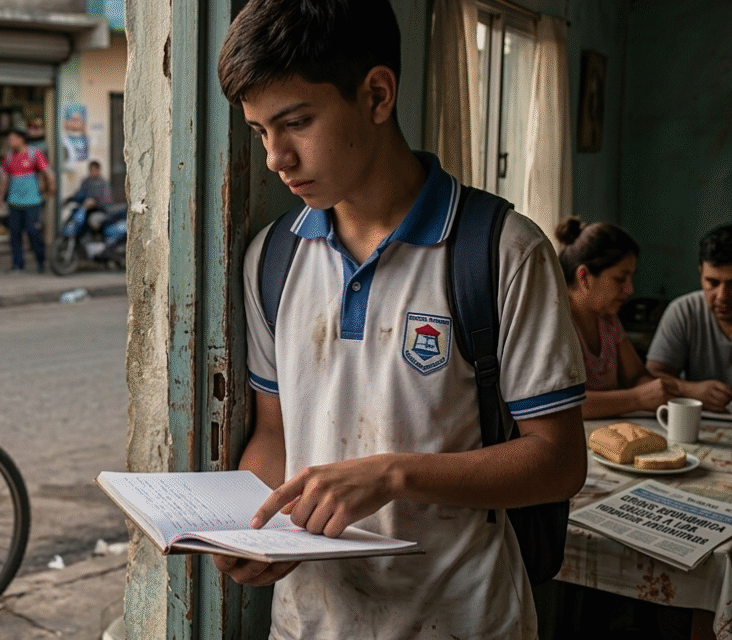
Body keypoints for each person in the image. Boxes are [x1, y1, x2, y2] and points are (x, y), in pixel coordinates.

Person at [213, 2, 587, 639]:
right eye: (260, 133)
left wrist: (394, 474)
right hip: (311, 622)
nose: (277, 157)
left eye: (296, 123)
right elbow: (275, 431)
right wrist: (252, 531)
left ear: (377, 95)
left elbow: (558, 461)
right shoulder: (273, 258)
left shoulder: (501, 252)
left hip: (461, 620)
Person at [557, 217, 672, 418]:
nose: (630, 289)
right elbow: (561, 402)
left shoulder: (607, 320)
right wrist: (637, 398)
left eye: (631, 278)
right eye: (620, 279)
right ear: (584, 277)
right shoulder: (556, 321)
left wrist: (651, 389)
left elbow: (636, 376)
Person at [646, 224, 732, 411]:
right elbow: (651, 376)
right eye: (712, 282)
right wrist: (690, 390)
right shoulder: (683, 311)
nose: (722, 296)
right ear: (701, 274)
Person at [0, 129, 53, 273]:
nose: (10, 142)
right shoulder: (8, 157)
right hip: (14, 202)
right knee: (15, 235)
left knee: (33, 232)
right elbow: (4, 179)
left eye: (12, 138)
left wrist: (51, 188)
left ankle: (41, 261)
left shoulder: (35, 154)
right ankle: (18, 265)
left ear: (21, 139)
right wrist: (0, 197)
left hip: (32, 202)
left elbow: (48, 173)